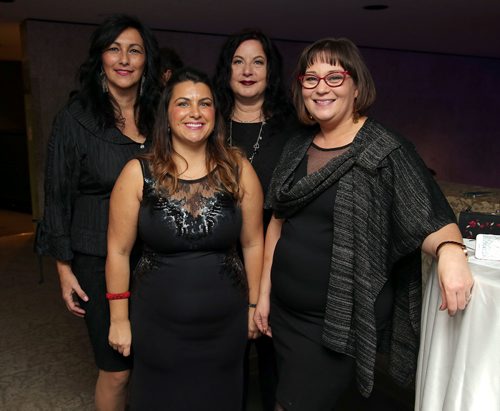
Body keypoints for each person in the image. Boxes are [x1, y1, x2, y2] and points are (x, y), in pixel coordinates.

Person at [254, 37, 474, 411]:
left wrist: (451, 252)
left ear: (357, 86)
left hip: (338, 320)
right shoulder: (296, 147)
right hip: (285, 314)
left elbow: (430, 213)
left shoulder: (385, 150)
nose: (321, 87)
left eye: (335, 77)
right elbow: (277, 222)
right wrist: (263, 295)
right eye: (311, 78)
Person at [106, 67, 264, 410]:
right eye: (184, 103)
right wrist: (119, 320)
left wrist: (254, 307)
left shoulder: (239, 169)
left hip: (226, 325)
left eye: (205, 103)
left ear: (215, 114)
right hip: (157, 323)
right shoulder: (138, 173)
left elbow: (253, 243)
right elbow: (118, 252)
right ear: (167, 114)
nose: (195, 112)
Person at [35, 14, 160, 411]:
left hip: (157, 257)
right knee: (117, 367)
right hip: (97, 258)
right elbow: (56, 194)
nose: (124, 59)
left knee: (156, 362)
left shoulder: (161, 118)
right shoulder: (75, 118)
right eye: (114, 48)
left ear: (146, 61)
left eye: (134, 50)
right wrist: (63, 267)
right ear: (100, 58)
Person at [213, 29, 297, 411]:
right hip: (216, 255)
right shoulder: (207, 122)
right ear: (226, 69)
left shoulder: (293, 128)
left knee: (272, 355)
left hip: (276, 253)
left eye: (258, 61)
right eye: (238, 61)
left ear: (271, 71)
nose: (247, 70)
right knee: (221, 358)